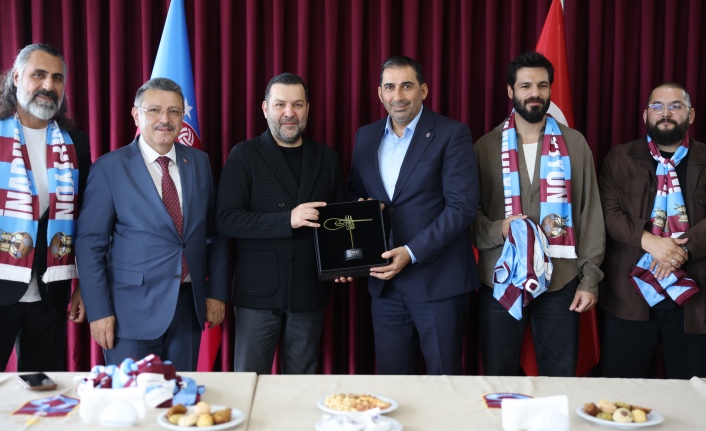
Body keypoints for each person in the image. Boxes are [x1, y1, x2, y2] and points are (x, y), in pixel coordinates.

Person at [75, 78, 227, 371]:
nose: (164, 119)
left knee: (179, 395)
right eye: (154, 110)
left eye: (174, 111)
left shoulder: (199, 163)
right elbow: (90, 245)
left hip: (188, 310)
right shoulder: (109, 168)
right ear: (136, 115)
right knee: (132, 398)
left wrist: (216, 292)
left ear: (182, 117)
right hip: (129, 314)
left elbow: (214, 235)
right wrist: (99, 311)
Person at [474, 52, 604, 376]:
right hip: (500, 279)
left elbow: (590, 215)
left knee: (560, 380)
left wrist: (590, 280)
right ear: (510, 91)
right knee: (497, 378)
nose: (535, 93)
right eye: (526, 85)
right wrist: (499, 229)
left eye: (542, 85)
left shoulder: (574, 144)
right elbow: (468, 216)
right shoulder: (484, 147)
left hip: (562, 281)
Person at [347, 56, 479, 375]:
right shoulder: (366, 136)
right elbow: (353, 194)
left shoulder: (452, 134)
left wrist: (411, 251)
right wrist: (362, 209)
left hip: (439, 283)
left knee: (445, 380)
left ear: (423, 90)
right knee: (393, 385)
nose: (398, 96)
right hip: (385, 287)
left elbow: (462, 207)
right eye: (390, 87)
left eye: (407, 86)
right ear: (379, 93)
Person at [217, 73, 343, 374]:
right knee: (249, 381)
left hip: (309, 291)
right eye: (280, 104)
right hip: (257, 295)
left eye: (297, 104)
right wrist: (288, 219)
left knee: (301, 386)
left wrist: (342, 263)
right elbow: (226, 220)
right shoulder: (244, 155)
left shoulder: (326, 158)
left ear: (308, 108)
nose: (289, 112)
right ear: (265, 108)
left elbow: (336, 219)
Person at [598, 82, 706, 379]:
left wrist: (682, 250)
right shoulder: (620, 158)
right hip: (630, 297)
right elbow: (607, 212)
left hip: (695, 301)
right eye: (657, 106)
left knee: (693, 395)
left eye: (675, 106)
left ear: (691, 114)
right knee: (622, 392)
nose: (666, 113)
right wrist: (650, 242)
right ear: (646, 115)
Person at [0, 44, 91, 371]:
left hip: (51, 292)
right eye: (38, 75)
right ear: (16, 77)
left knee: (41, 389)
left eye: (57, 78)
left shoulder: (76, 143)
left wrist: (84, 286)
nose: (48, 85)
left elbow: (87, 220)